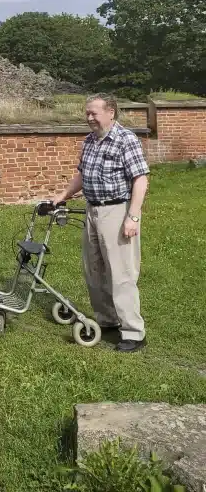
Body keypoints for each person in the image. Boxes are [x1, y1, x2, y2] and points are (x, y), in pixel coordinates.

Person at [53, 93, 150, 353]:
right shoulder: (90, 141)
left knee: (121, 273)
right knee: (93, 269)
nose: (89, 118)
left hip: (117, 211)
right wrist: (64, 194)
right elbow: (83, 174)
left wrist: (133, 216)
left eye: (94, 113)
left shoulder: (125, 139)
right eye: (87, 113)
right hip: (92, 211)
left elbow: (140, 180)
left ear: (111, 113)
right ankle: (107, 319)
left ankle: (133, 332)